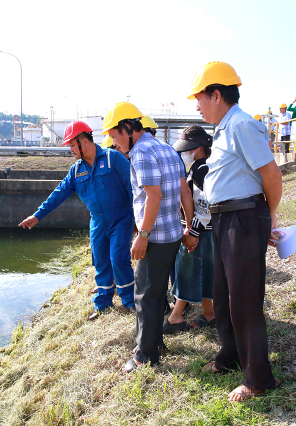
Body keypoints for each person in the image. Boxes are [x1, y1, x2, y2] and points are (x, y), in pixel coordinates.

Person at [188, 61, 283, 402]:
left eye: (200, 98)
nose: (197, 106)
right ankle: (229, 357)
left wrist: (268, 217)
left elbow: (271, 175)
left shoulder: (242, 125)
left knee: (244, 301)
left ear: (217, 94)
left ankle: (258, 379)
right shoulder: (225, 128)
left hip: (244, 218)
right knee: (224, 294)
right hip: (226, 219)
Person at [101, 102, 193, 372]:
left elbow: (154, 196)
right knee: (155, 292)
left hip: (154, 238)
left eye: (115, 135)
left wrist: (142, 235)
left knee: (144, 295)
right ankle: (155, 343)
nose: (114, 142)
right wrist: (188, 227)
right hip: (172, 233)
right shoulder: (166, 148)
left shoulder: (140, 153)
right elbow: (184, 191)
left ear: (128, 128)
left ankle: (144, 355)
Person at [19, 121, 135, 320]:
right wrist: (37, 215)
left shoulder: (112, 158)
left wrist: (137, 220)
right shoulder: (76, 170)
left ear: (84, 140)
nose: (71, 150)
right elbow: (59, 193)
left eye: (72, 145)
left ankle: (130, 301)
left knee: (118, 259)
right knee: (100, 263)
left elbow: (133, 188)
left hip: (121, 220)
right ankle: (103, 304)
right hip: (97, 224)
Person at [163, 125, 215, 334]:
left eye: (188, 148)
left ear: (199, 148)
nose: (185, 153)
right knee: (203, 271)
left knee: (186, 269)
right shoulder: (198, 167)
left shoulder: (203, 170)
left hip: (203, 229)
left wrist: (192, 231)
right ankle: (209, 312)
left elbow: (205, 204)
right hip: (203, 229)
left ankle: (176, 316)